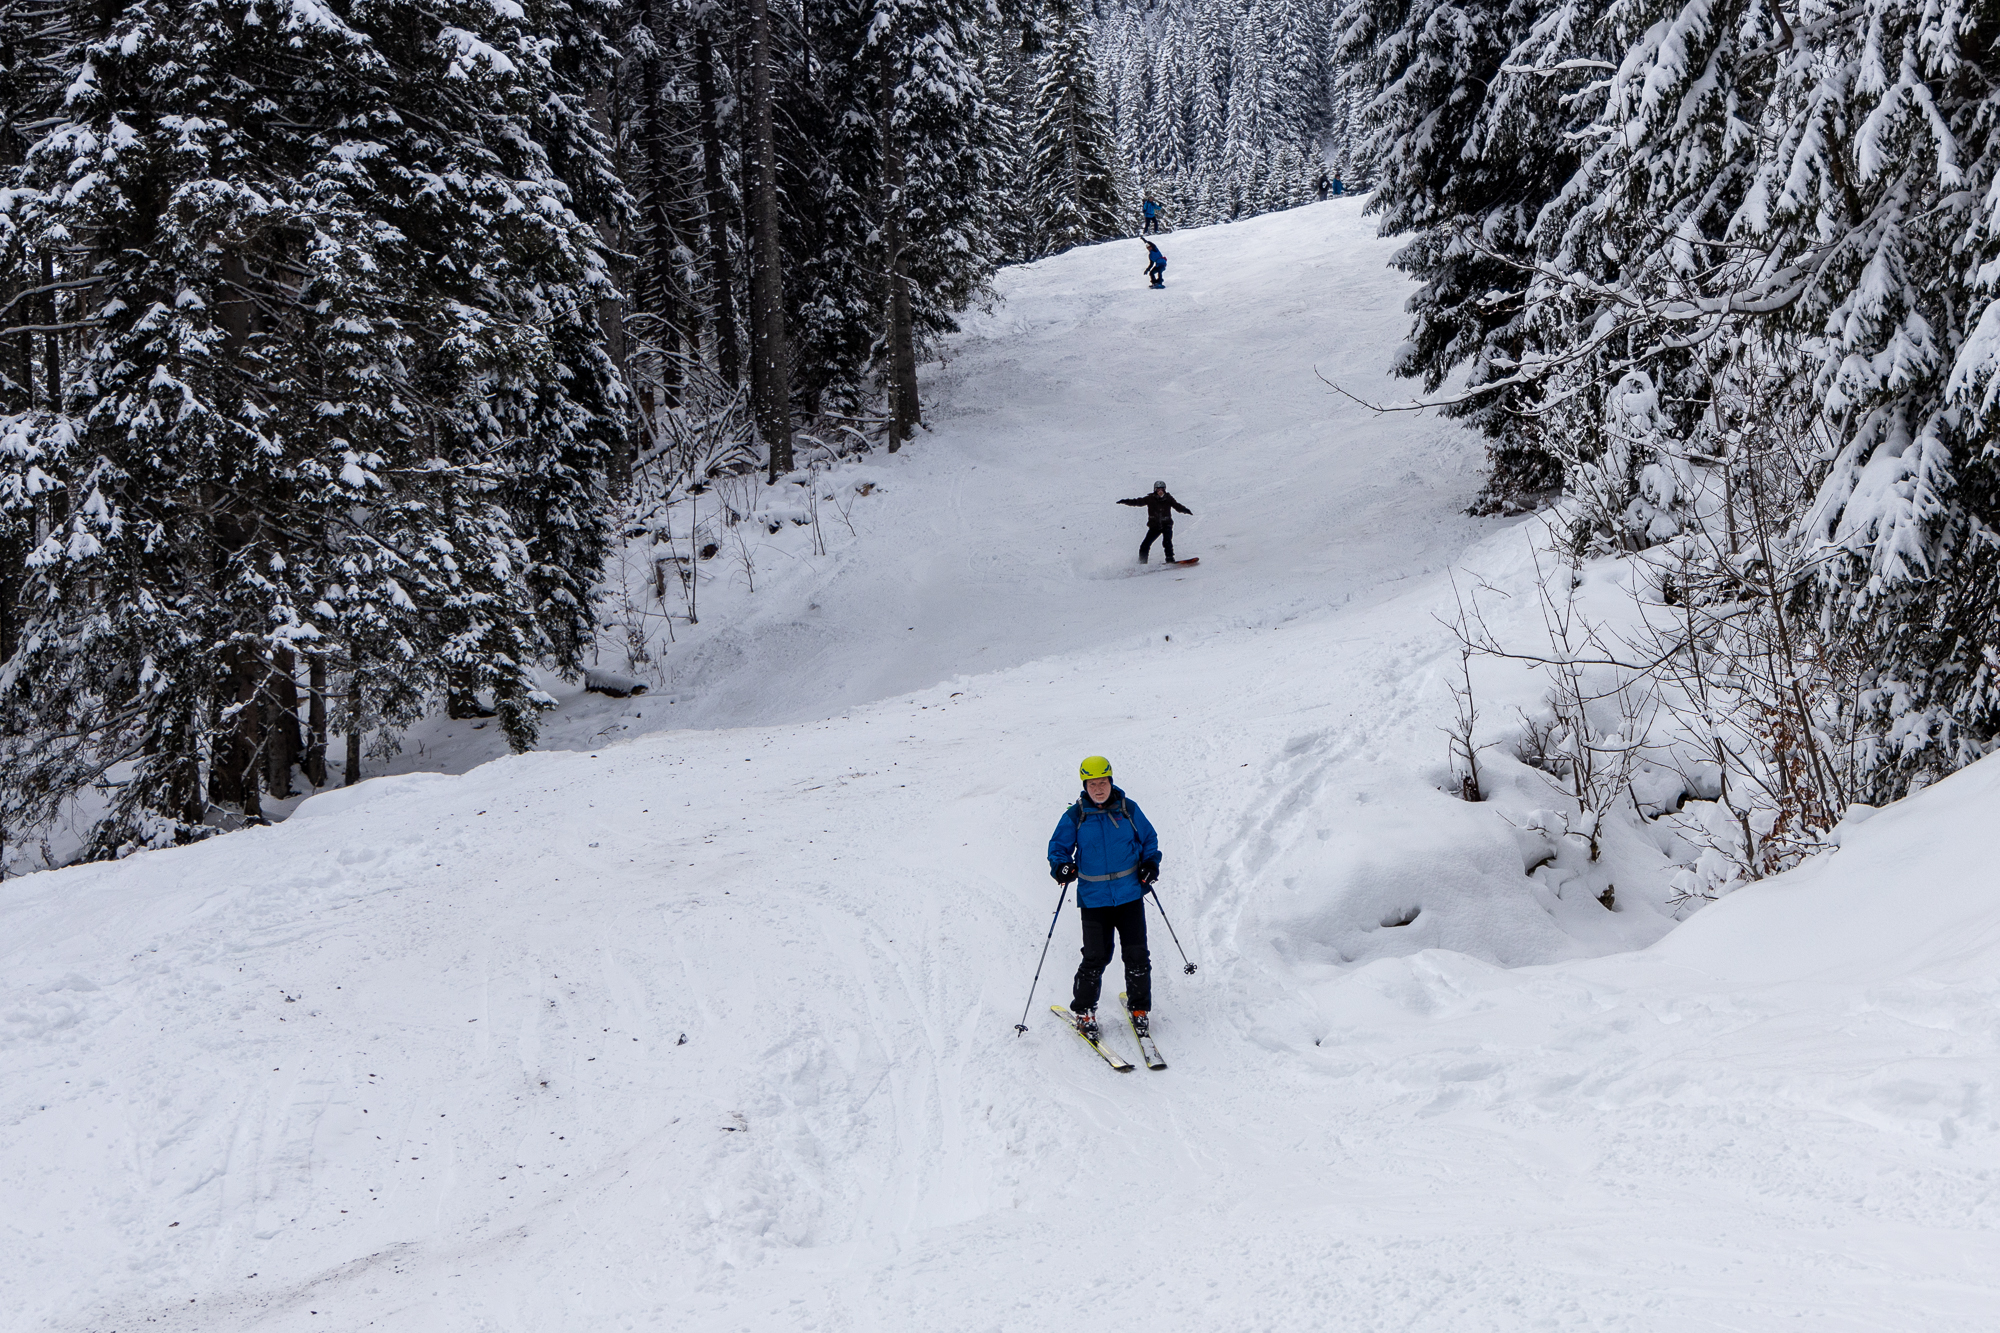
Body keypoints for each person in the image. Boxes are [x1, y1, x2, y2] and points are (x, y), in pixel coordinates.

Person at [1048, 756, 1159, 1040]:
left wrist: (1150, 864)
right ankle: (1084, 1012)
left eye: (1103, 782)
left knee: (1136, 955)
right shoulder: (1075, 815)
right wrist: (1061, 866)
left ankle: (1139, 1010)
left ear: (1111, 781)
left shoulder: (1128, 809)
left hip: (1130, 895)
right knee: (1096, 956)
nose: (1099, 788)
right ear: (1085, 786)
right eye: (1092, 783)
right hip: (1094, 899)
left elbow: (1149, 841)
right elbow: (1058, 848)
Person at [1118, 480, 1192, 563]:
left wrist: (1185, 510)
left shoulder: (1168, 498)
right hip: (1154, 526)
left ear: (1164, 490)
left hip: (1166, 524)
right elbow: (1137, 502)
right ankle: (1142, 563)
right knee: (1145, 545)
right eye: (1158, 489)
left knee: (1167, 542)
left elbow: (1177, 506)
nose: (1160, 491)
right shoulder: (1150, 498)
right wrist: (1125, 501)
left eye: (1162, 489)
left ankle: (1170, 559)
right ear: (1155, 490)